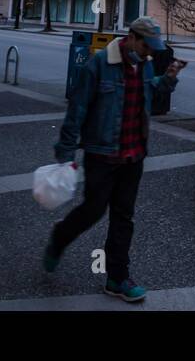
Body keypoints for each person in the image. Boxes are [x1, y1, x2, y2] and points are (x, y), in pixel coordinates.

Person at [43, 16, 182, 302]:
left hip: (134, 155)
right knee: (93, 210)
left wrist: (167, 78)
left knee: (123, 216)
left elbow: (149, 91)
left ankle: (117, 278)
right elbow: (77, 109)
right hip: (102, 154)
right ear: (131, 37)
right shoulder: (99, 65)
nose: (149, 52)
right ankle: (59, 238)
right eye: (146, 45)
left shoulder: (144, 64)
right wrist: (66, 154)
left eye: (152, 48)